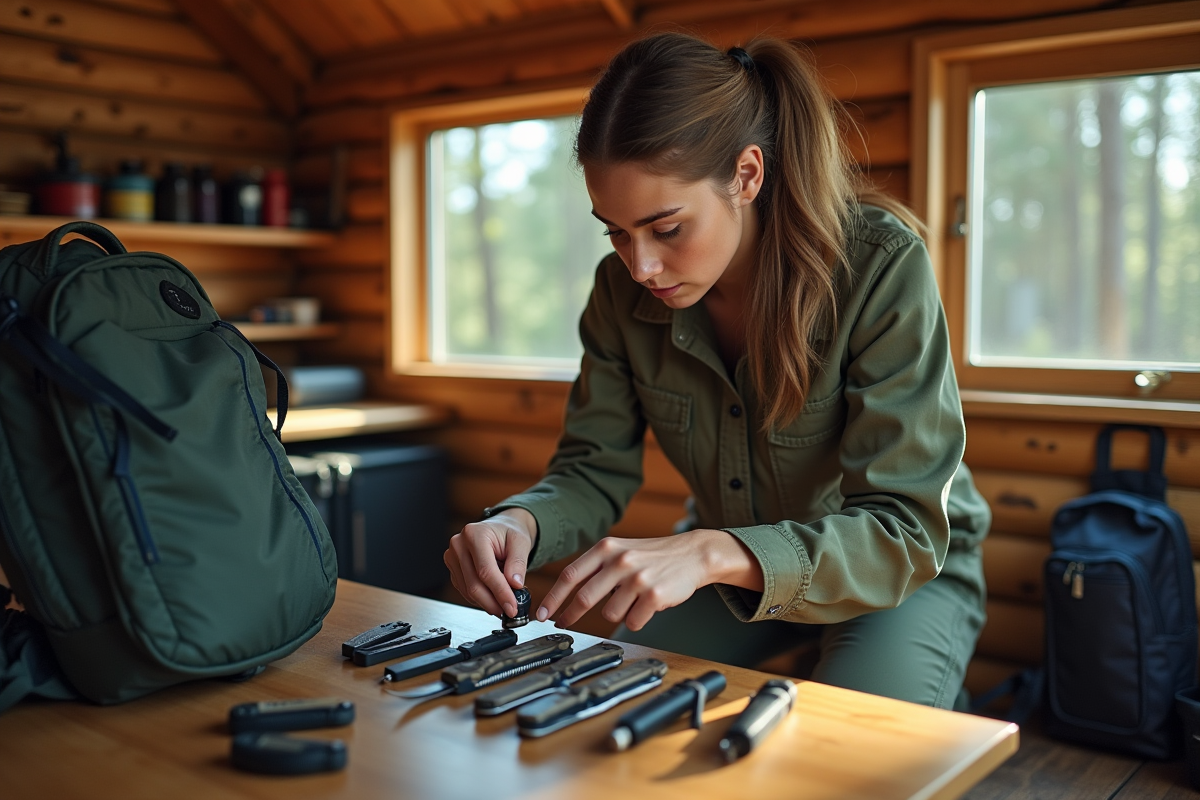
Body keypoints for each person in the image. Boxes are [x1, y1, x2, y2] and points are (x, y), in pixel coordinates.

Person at [443, 32, 991, 710]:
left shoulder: (879, 268)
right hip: (729, 575)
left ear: (747, 175)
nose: (639, 266)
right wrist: (521, 522)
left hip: (901, 575)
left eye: (666, 228)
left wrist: (708, 552)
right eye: (615, 231)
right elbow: (593, 468)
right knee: (623, 705)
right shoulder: (618, 295)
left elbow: (903, 530)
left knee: (853, 751)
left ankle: (938, 709)